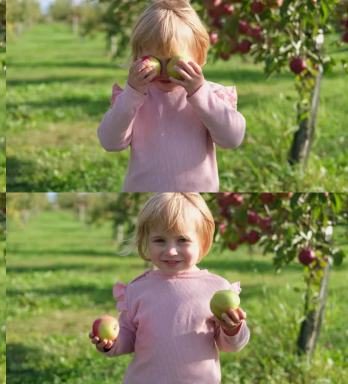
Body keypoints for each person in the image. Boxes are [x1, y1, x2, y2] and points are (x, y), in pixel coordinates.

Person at [89, 193, 250, 383]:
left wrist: (232, 329)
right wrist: (110, 343)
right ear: (146, 241)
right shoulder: (137, 289)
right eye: (159, 240)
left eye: (182, 240)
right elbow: (127, 336)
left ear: (202, 240)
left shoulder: (216, 288)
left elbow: (230, 345)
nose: (171, 250)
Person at [97, 0, 246, 192]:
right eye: (155, 61)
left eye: (175, 61)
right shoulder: (134, 98)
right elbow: (110, 142)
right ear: (137, 58)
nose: (165, 71)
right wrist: (132, 94)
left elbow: (232, 138)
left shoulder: (209, 96)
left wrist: (199, 92)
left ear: (198, 58)